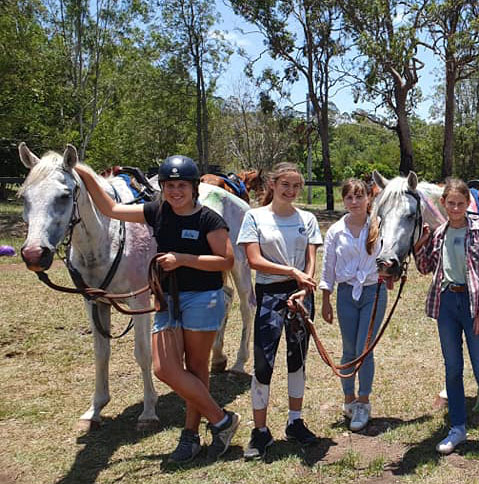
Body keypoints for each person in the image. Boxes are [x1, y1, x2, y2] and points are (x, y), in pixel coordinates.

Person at [74, 155, 240, 463]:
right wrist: (82, 171)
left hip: (203, 297)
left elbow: (226, 261)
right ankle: (222, 420)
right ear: (161, 188)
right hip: (168, 298)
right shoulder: (156, 212)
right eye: (169, 186)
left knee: (196, 367)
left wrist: (182, 259)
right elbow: (110, 209)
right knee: (164, 368)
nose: (176, 192)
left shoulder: (209, 220)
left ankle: (190, 436)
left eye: (182, 186)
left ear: (193, 188)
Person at [413, 178, 479, 460]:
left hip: (472, 303)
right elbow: (425, 267)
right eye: (450, 203)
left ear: (468, 204)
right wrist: (420, 244)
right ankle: (457, 427)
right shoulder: (440, 233)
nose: (455, 208)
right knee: (452, 368)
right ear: (443, 204)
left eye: (460, 203)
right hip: (447, 304)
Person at [237, 162, 322, 459]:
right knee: (263, 362)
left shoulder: (308, 219)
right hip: (270, 294)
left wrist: (305, 284)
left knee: (297, 359)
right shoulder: (254, 217)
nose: (291, 190)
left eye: (296, 185)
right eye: (285, 184)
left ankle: (294, 422)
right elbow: (254, 260)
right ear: (272, 184)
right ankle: (260, 431)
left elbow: (311, 259)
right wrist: (291, 271)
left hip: (300, 294)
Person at [318, 178, 387, 432]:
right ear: (343, 200)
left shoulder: (378, 226)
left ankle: (364, 401)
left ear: (369, 198)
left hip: (373, 291)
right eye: (349, 198)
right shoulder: (336, 231)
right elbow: (328, 267)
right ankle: (348, 399)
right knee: (348, 349)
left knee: (364, 349)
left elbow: (391, 255)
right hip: (347, 293)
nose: (355, 202)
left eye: (360, 197)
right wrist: (326, 298)